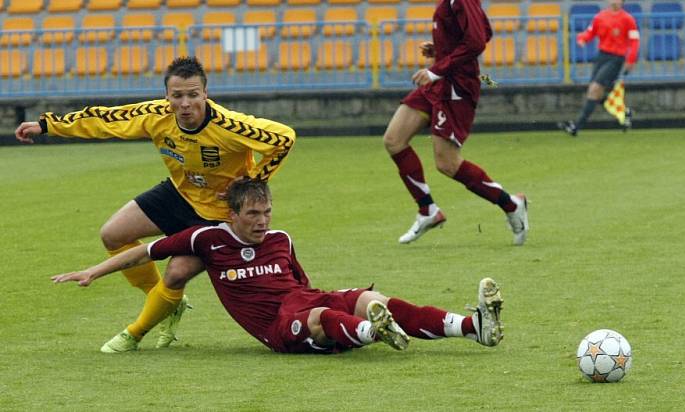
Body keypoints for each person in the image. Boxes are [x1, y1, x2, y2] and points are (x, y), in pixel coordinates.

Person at [16, 56, 296, 350]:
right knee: (112, 233)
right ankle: (161, 300)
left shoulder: (230, 125)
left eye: (192, 94)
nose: (185, 103)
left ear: (205, 93)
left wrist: (250, 181)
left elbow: (284, 138)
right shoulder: (155, 115)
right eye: (177, 96)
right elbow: (105, 119)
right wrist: (47, 125)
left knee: (176, 273)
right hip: (179, 194)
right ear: (167, 96)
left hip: (221, 213)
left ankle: (133, 334)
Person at [52, 179, 505, 354]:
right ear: (232, 215)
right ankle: (372, 332)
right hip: (276, 328)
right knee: (322, 318)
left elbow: (301, 284)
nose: (262, 223)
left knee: (374, 299)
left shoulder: (282, 240)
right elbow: (144, 251)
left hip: (303, 302)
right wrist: (94, 270)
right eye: (253, 216)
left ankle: (470, 327)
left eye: (266, 213)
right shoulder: (206, 239)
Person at [382, 0, 529, 246]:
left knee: (447, 163)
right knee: (394, 140)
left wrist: (437, 68)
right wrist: (441, 49)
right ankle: (428, 210)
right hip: (440, 82)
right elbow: (484, 32)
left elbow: (477, 41)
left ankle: (511, 204)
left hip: (456, 87)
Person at [559, 0, 639, 137]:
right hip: (602, 57)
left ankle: (576, 126)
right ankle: (624, 113)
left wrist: (631, 60)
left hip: (616, 59)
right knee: (597, 94)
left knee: (594, 89)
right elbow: (591, 33)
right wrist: (582, 38)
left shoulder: (628, 19)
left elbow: (634, 41)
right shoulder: (600, 17)